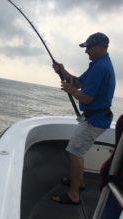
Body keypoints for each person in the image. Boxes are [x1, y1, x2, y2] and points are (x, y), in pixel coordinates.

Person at [50, 32, 116, 205]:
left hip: (96, 120)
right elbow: (79, 82)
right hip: (94, 118)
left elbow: (86, 97)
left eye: (89, 47)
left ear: (101, 47)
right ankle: (79, 182)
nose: (86, 51)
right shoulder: (98, 64)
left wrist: (69, 90)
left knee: (74, 152)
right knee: (75, 150)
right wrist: (62, 70)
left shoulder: (101, 67)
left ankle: (74, 195)